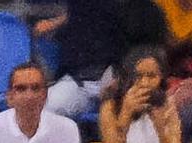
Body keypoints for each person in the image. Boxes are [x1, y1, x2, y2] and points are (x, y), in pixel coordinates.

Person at [37, 0, 167, 121]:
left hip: (122, 82)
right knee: (43, 110)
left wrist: (123, 79)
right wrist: (56, 23)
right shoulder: (81, 6)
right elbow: (76, 17)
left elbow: (153, 56)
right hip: (80, 81)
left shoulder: (147, 11)